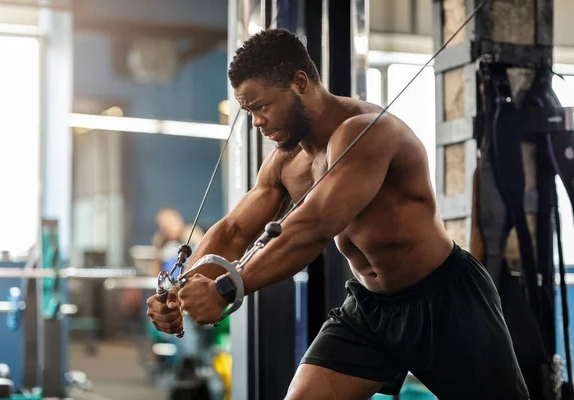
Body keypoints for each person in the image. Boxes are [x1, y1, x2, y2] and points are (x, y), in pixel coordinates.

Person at [147, 29, 529, 399]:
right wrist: (179, 292)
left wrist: (225, 289)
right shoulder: (287, 160)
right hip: (370, 308)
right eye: (248, 111)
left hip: (444, 299)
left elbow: (313, 227)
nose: (256, 122)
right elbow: (232, 232)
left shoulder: (368, 133)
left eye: (261, 106)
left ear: (299, 82)